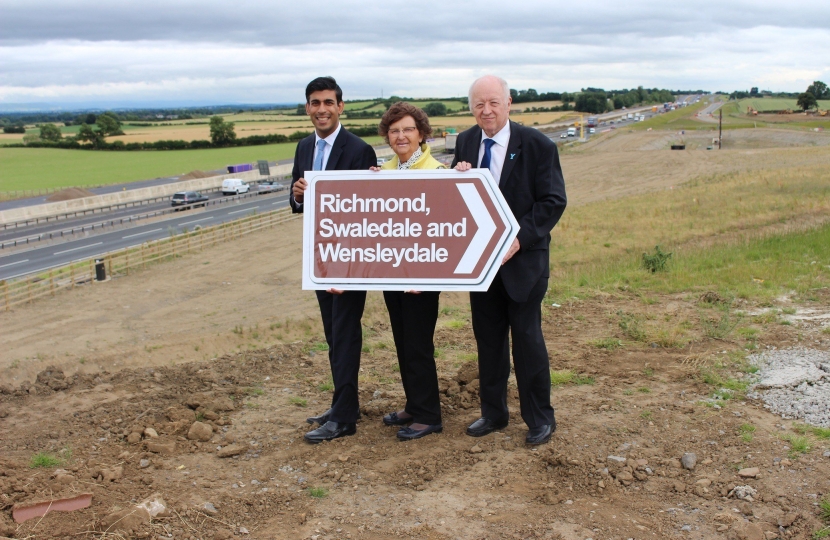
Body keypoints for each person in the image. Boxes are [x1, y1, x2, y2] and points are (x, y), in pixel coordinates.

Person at [452, 75, 567, 445]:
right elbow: (460, 198)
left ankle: (539, 419)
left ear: (508, 103)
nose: (486, 111)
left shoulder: (538, 146)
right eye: (479, 105)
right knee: (488, 341)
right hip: (482, 266)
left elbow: (552, 202)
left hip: (524, 264)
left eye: (493, 103)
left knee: (527, 340)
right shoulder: (466, 141)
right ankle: (494, 414)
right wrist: (455, 180)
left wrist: (517, 239)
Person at [290, 76, 378, 443]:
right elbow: (299, 203)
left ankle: (344, 418)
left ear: (341, 107)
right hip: (319, 258)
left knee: (344, 334)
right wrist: (297, 195)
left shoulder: (359, 150)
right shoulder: (303, 147)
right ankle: (345, 403)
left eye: (329, 102)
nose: (321, 109)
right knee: (332, 334)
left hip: (349, 261)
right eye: (315, 102)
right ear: (308, 108)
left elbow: (368, 209)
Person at [372, 102, 446, 441]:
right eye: (394, 130)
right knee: (402, 341)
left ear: (422, 133)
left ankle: (429, 414)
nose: (401, 136)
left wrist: (426, 274)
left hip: (423, 276)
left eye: (408, 129)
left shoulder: (438, 170)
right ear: (387, 135)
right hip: (393, 273)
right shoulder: (382, 171)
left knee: (418, 343)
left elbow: (443, 229)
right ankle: (414, 404)